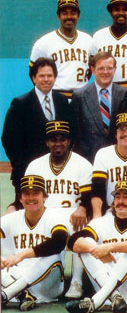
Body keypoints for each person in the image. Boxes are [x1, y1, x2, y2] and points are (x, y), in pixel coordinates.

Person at [23, 120, 92, 299]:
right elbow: (27, 196)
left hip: (73, 215)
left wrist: (83, 208)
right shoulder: (35, 165)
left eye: (62, 139)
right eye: (53, 139)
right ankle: (47, 280)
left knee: (80, 229)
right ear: (47, 142)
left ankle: (76, 281)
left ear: (69, 141)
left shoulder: (82, 164)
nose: (58, 143)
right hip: (45, 217)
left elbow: (89, 195)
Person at [65, 180, 127, 313]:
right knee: (86, 244)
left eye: (126, 197)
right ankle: (115, 297)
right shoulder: (102, 222)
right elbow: (73, 241)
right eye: (117, 197)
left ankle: (95, 302)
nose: (121, 201)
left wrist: (109, 247)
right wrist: (94, 249)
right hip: (106, 284)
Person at [2, 57, 74, 210]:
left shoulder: (62, 101)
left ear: (55, 78)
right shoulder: (20, 104)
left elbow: (71, 133)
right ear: (34, 78)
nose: (46, 79)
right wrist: (22, 166)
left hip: (58, 171)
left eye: (49, 75)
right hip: (28, 172)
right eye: (42, 76)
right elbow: (8, 139)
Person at [1, 175, 69, 310]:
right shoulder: (12, 218)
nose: (31, 198)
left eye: (36, 193)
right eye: (26, 194)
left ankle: (6, 294)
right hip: (16, 279)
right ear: (20, 198)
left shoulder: (55, 216)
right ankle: (23, 296)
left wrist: (23, 255)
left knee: (54, 256)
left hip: (47, 283)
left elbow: (59, 241)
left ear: (45, 197)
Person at [29, 0, 92, 97]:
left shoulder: (88, 40)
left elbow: (91, 70)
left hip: (82, 97)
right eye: (64, 13)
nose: (69, 16)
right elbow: (33, 72)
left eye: (73, 13)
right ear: (58, 16)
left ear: (78, 16)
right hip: (56, 97)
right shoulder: (43, 42)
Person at [71, 51, 127, 162]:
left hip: (117, 158)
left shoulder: (125, 94)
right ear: (93, 70)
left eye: (109, 68)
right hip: (88, 158)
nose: (105, 72)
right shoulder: (80, 96)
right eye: (101, 68)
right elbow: (74, 132)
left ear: (114, 69)